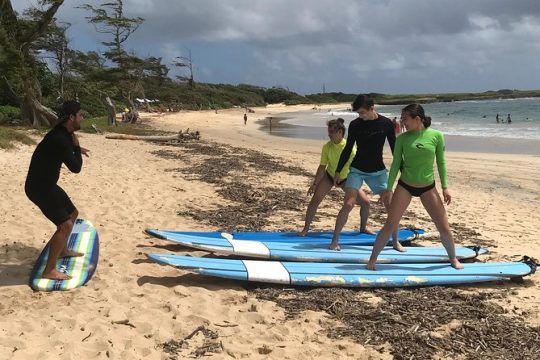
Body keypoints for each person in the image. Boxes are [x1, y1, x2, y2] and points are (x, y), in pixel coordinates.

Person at [366, 104, 463, 270]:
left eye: (405, 119)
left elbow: (441, 162)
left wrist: (445, 187)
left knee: (444, 227)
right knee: (390, 224)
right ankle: (372, 260)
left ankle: (453, 259)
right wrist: (389, 189)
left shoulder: (436, 136)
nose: (402, 122)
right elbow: (396, 164)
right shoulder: (402, 139)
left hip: (428, 187)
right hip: (405, 186)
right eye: (401, 118)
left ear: (418, 119)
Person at [24, 101, 90, 280]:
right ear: (71, 117)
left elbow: (65, 151)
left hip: (47, 184)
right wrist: (76, 148)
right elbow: (75, 168)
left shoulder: (64, 134)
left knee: (73, 213)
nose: (81, 118)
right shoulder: (61, 138)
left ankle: (63, 250)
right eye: (80, 114)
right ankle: (49, 271)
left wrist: (76, 148)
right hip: (39, 188)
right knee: (65, 225)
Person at [330, 94, 401, 251]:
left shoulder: (386, 124)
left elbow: (395, 150)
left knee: (391, 205)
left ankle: (395, 241)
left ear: (372, 108)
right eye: (358, 113)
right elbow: (348, 149)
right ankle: (334, 241)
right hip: (357, 170)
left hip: (378, 171)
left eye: (362, 112)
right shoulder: (356, 124)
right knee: (349, 203)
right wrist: (338, 170)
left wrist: (402, 171)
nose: (360, 116)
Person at [298, 118, 372, 236]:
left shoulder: (350, 149)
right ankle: (305, 229)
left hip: (346, 179)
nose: (329, 134)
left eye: (332, 131)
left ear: (340, 132)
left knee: (366, 202)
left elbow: (354, 169)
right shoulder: (327, 147)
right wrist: (315, 184)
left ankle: (363, 228)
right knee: (315, 201)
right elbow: (322, 166)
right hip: (329, 176)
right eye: (329, 131)